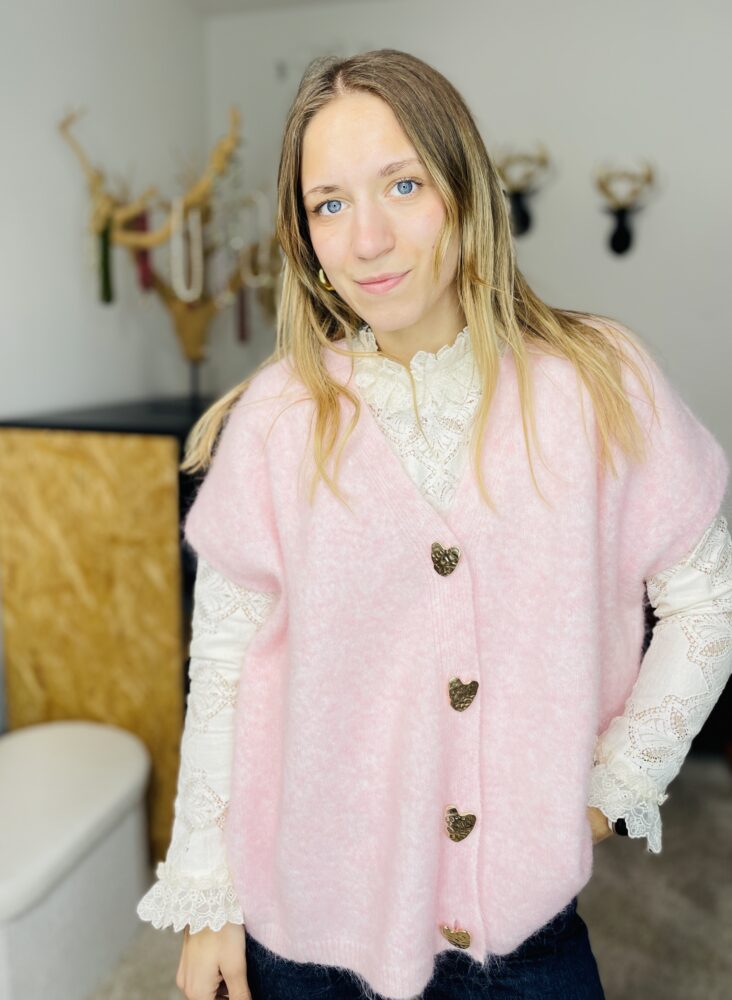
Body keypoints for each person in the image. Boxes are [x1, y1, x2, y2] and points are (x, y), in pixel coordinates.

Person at [137, 48, 732, 1000]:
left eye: (403, 185)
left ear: (464, 190)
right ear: (305, 236)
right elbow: (224, 670)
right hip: (306, 939)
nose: (368, 239)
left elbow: (708, 601)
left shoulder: (599, 383)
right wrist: (208, 895)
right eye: (330, 203)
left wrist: (614, 787)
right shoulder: (277, 419)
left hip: (522, 948)